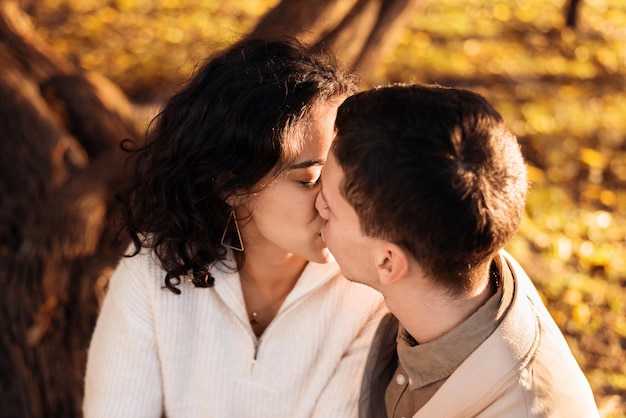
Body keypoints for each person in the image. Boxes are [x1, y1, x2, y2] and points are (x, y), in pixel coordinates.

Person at [82, 39, 386, 418]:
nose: (335, 200)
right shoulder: (153, 269)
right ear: (231, 185)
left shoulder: (374, 286)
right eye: (310, 179)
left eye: (344, 175)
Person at [315, 83, 600, 417]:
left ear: (388, 262)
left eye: (330, 206)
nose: (317, 205)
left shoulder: (525, 409)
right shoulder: (452, 245)